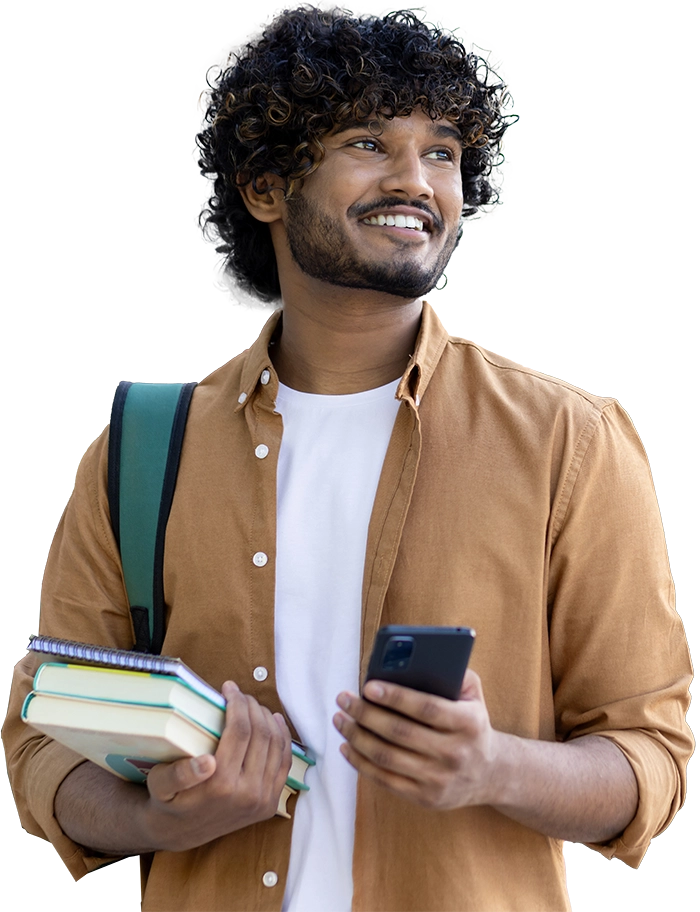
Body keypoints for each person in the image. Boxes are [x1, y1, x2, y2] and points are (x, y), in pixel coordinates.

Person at [2, 8, 693, 912]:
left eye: (442, 152)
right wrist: (162, 822)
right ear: (265, 188)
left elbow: (650, 761)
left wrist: (491, 767)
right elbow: (43, 745)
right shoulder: (140, 447)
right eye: (370, 142)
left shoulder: (571, 441)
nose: (418, 181)